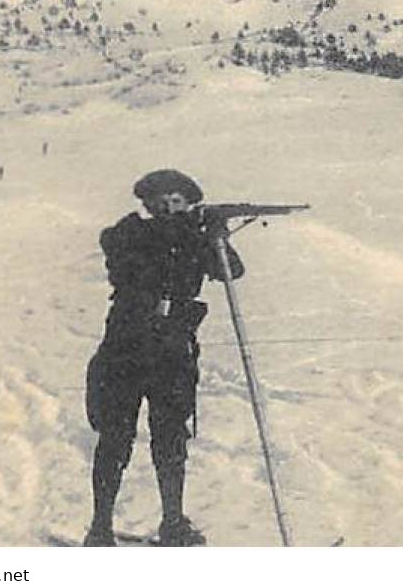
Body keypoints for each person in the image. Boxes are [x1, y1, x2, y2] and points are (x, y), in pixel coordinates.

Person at [84, 169, 244, 547]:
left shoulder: (194, 240)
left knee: (171, 438)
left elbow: (232, 271)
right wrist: (191, 230)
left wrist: (217, 235)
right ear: (148, 205)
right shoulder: (128, 234)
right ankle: (100, 528)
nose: (169, 209)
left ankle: (173, 522)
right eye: (161, 203)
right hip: (126, 350)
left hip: (172, 352)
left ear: (189, 204)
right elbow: (129, 262)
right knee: (115, 437)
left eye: (177, 202)